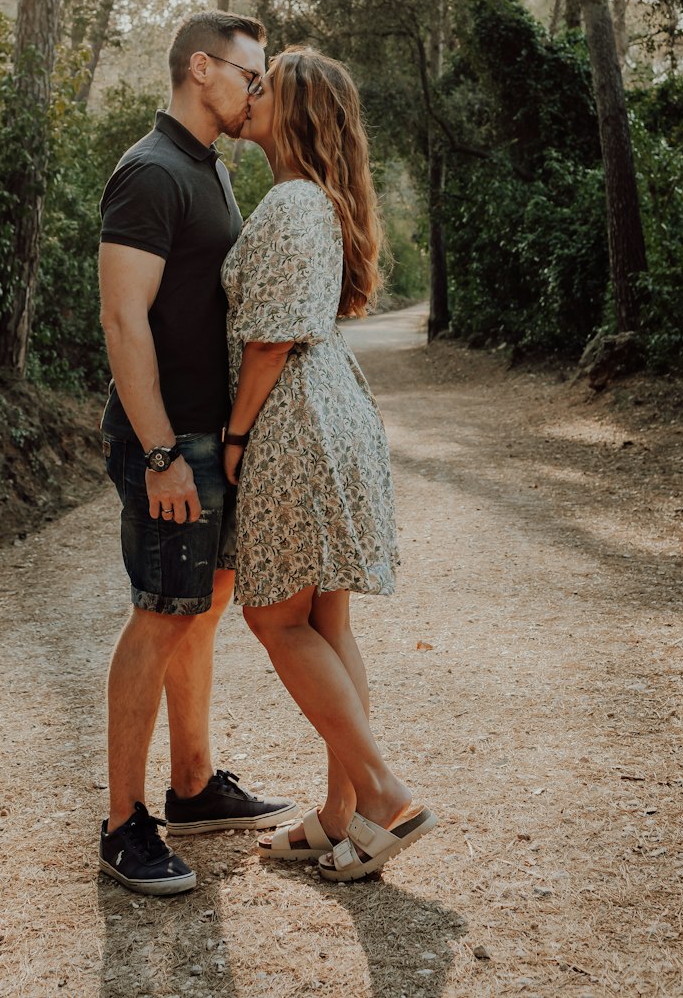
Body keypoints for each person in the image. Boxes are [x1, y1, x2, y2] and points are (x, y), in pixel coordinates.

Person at [220, 46, 436, 883]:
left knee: (274, 618)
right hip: (333, 406)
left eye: (264, 86)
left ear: (296, 113)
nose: (251, 92)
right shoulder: (321, 202)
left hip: (294, 417)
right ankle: (344, 814)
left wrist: (236, 437)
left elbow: (270, 338)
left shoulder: (289, 202)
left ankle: (383, 793)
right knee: (326, 621)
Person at [97, 11, 296, 897]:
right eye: (250, 75)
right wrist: (160, 452)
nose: (257, 91)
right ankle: (121, 823)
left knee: (202, 607)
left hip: (211, 436)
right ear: (201, 67)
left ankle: (193, 786)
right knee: (160, 612)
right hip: (168, 441)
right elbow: (122, 318)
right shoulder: (148, 173)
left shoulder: (210, 167)